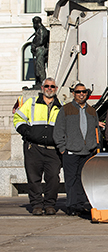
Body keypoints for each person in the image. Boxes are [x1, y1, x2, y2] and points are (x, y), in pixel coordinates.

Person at [13, 78, 62, 215]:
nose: (49, 88)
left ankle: (50, 204)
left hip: (53, 150)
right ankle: (36, 205)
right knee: (34, 178)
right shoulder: (31, 103)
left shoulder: (61, 106)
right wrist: (27, 132)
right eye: (47, 86)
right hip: (34, 148)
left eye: (52, 86)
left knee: (53, 178)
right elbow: (18, 118)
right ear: (42, 87)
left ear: (56, 88)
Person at [53, 83, 101, 215]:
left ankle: (81, 205)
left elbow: (96, 131)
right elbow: (58, 131)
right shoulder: (66, 109)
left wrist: (95, 147)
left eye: (84, 92)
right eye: (78, 92)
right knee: (71, 180)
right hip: (71, 151)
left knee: (83, 179)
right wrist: (62, 148)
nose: (81, 94)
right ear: (73, 93)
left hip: (87, 152)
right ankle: (72, 206)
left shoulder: (91, 111)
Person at [31, 17, 49, 89]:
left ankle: (42, 81)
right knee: (37, 67)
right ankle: (39, 81)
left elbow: (41, 41)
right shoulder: (38, 30)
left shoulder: (41, 30)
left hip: (41, 50)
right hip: (38, 50)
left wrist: (34, 45)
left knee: (40, 66)